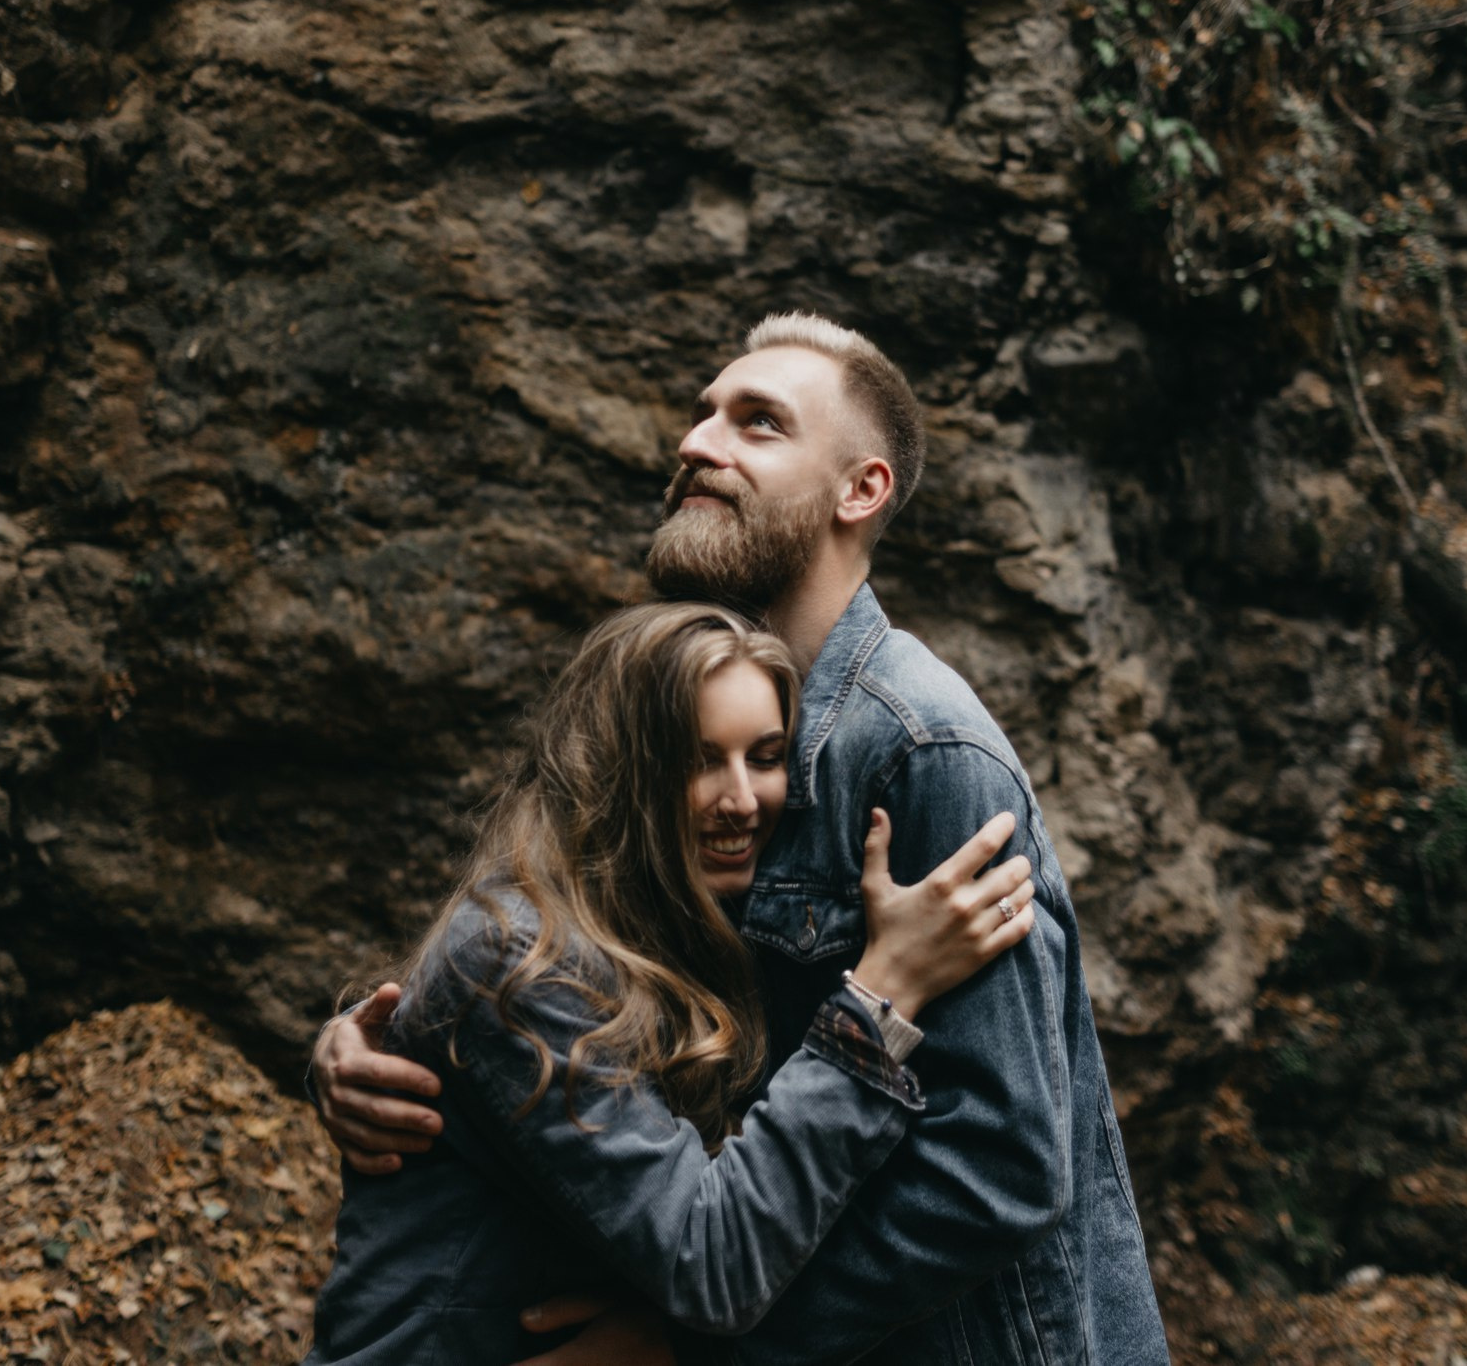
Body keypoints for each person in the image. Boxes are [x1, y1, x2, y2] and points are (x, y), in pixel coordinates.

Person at [314, 312, 1173, 1366]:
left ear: (860, 491)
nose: (696, 442)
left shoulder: (917, 750)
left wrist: (691, 1348)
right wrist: (398, 1039)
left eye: (756, 423)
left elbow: (999, 1164)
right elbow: (570, 956)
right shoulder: (683, 716)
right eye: (700, 414)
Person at [307, 601, 1039, 1363]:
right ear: (620, 771)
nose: (741, 799)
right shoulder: (518, 959)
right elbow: (712, 1263)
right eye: (697, 759)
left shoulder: (685, 924)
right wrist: (880, 999)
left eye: (764, 756)